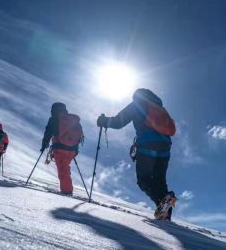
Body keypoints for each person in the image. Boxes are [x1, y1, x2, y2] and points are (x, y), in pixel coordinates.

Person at [97, 88, 177, 220]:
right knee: (160, 182)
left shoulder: (138, 104)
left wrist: (103, 120)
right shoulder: (161, 109)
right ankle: (165, 214)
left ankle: (164, 206)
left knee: (143, 180)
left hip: (147, 145)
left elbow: (118, 122)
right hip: (165, 149)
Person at [41, 102, 83, 196]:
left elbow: (48, 132)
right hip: (72, 150)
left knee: (63, 169)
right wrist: (75, 150)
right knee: (65, 168)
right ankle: (67, 190)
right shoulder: (72, 120)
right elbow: (78, 136)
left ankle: (66, 192)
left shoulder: (54, 119)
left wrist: (44, 143)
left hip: (60, 148)